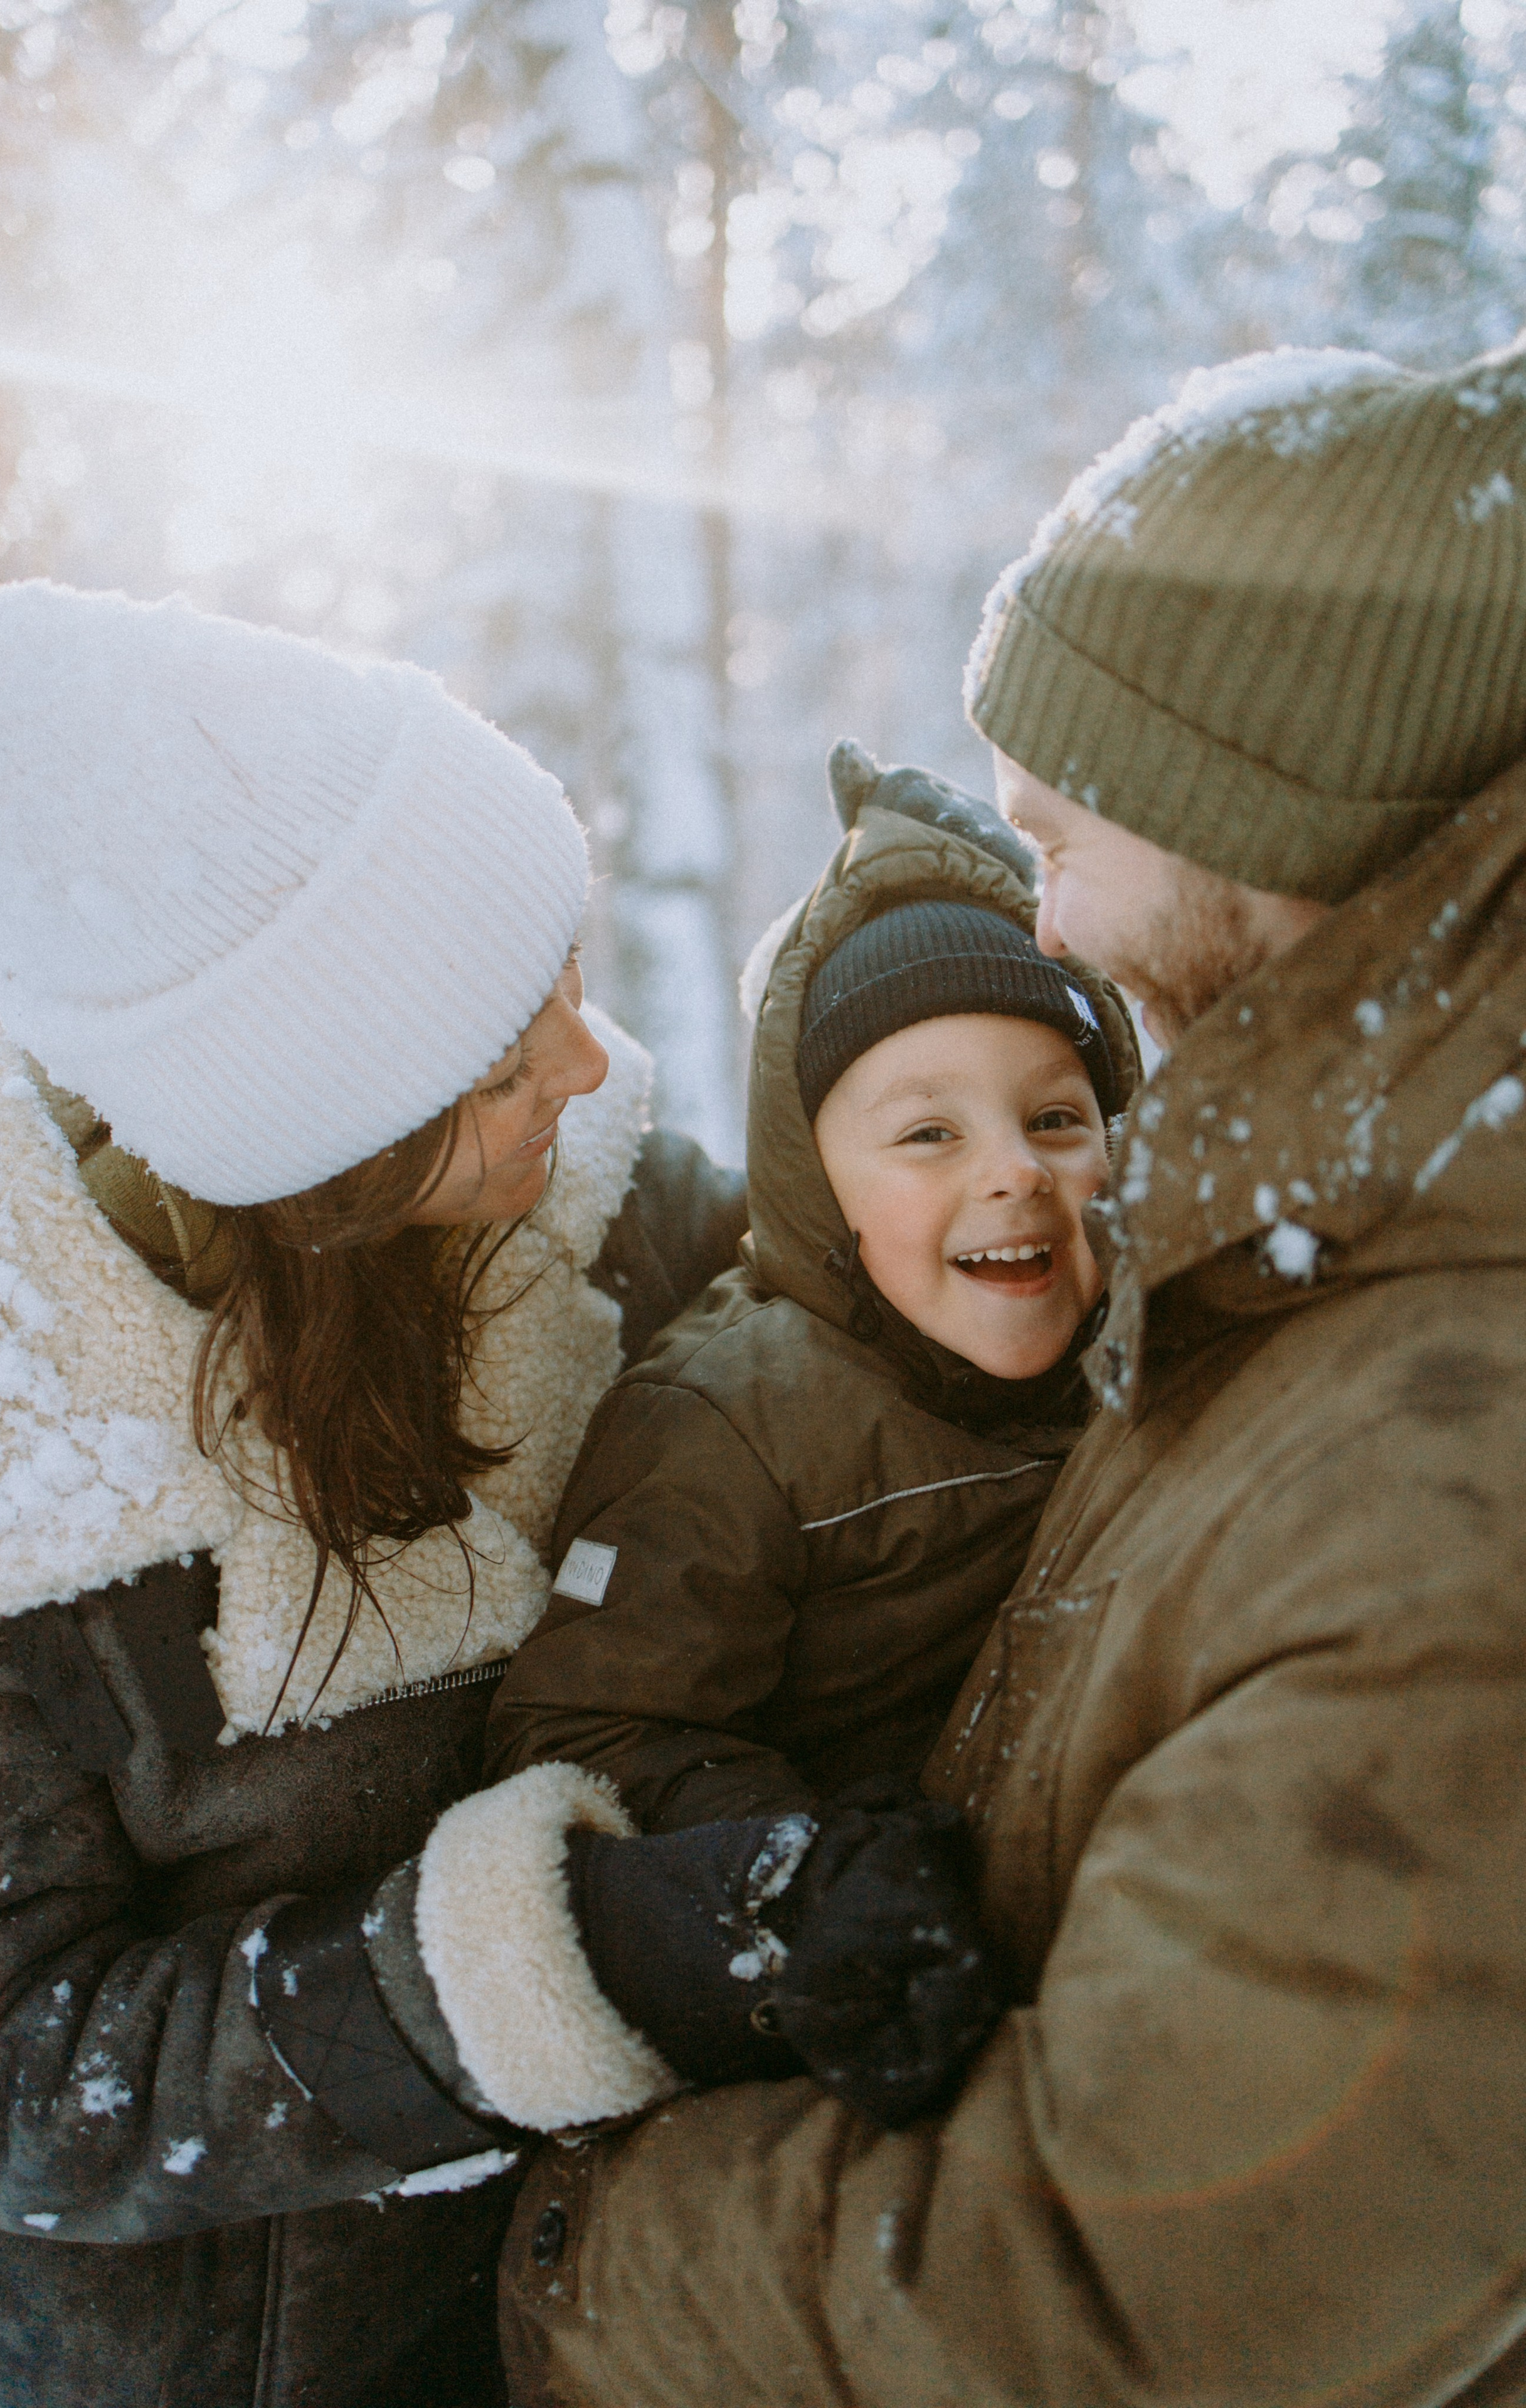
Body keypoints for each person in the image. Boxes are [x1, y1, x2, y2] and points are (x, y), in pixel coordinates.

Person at [497, 342, 1526, 2408]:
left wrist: (572, 2250)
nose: (1052, 915)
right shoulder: (1294, 1269)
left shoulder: (1442, 1460)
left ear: (1268, 797)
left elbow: (1135, 2302)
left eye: (1071, 834)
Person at [0, 583, 988, 2408]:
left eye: (566, 980)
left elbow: (871, 1356)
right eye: (504, 1061)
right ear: (323, 1159)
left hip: (574, 2317)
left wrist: (961, 1013)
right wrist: (562, 1961)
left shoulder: (593, 1215)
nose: (585, 1070)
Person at [485, 744, 1137, 1852]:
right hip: (859, 1923)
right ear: (816, 1189)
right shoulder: (736, 1421)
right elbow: (585, 1726)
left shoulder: (1145, 1346)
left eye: (1056, 1121)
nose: (1016, 1171)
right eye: (931, 1133)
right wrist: (808, 1860)